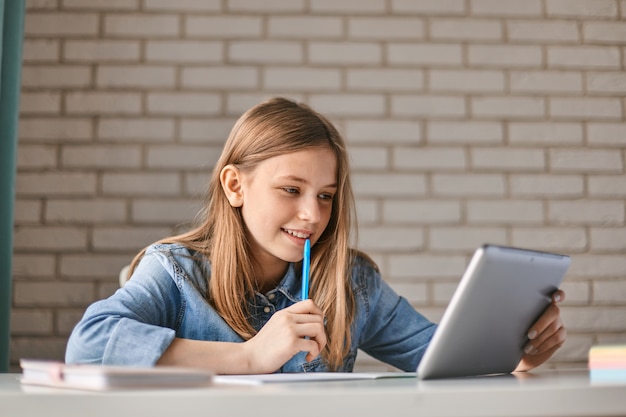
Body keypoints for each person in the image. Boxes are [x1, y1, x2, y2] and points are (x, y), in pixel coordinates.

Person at [65, 97, 566, 374]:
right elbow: (88, 344)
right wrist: (249, 356)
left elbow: (439, 355)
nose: (311, 214)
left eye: (325, 195)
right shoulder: (175, 272)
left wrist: (516, 352)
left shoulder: (350, 283)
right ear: (235, 186)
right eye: (291, 189)